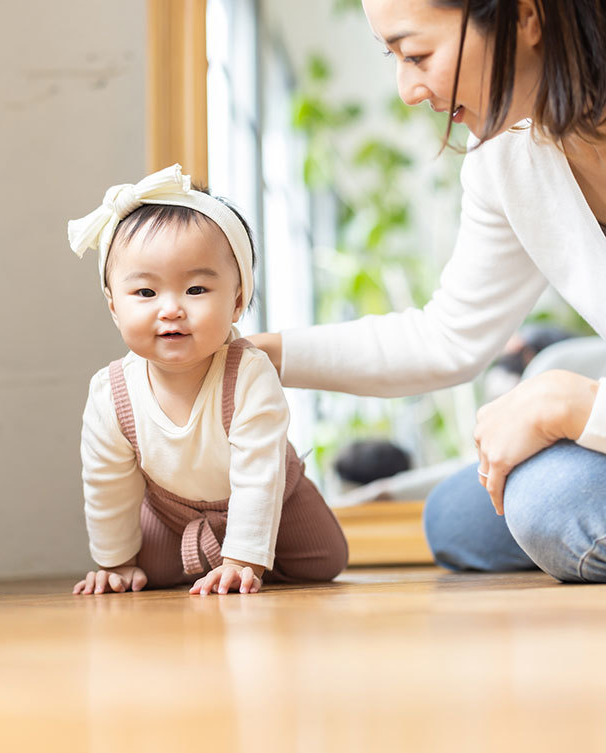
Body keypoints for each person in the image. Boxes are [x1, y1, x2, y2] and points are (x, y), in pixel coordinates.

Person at [251, 0, 606, 582]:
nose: (408, 90)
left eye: (417, 55)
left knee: (548, 502)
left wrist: (571, 405)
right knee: (459, 517)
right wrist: (260, 356)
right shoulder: (508, 158)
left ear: (526, 16)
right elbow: (448, 336)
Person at [67, 165, 348, 596]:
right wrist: (116, 562)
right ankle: (213, 555)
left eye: (196, 290)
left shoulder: (248, 373)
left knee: (324, 560)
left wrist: (244, 559)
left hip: (274, 493)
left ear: (237, 301)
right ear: (113, 306)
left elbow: (258, 473)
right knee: (151, 576)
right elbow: (108, 484)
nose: (171, 309)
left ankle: (237, 555)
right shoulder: (112, 393)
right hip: (167, 506)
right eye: (145, 293)